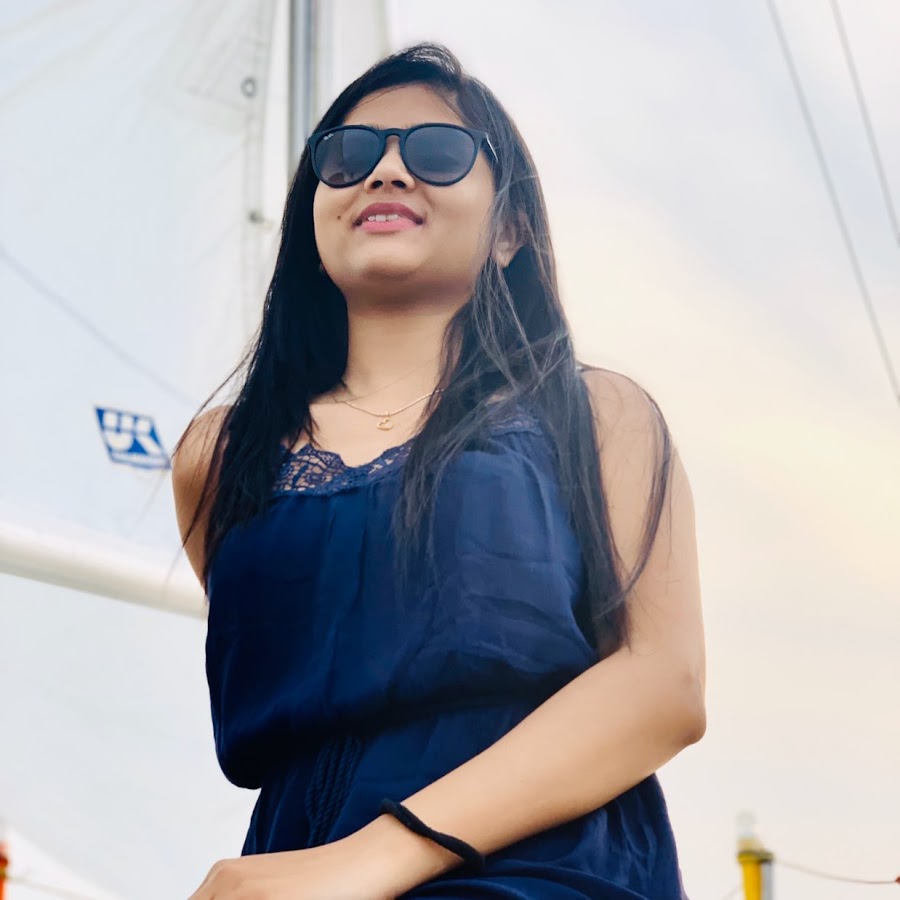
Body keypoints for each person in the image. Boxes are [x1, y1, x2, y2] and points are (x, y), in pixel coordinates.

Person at [173, 42, 706, 900]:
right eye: (347, 155)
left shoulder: (597, 412)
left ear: (511, 229)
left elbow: (664, 686)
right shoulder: (218, 455)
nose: (385, 171)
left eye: (437, 151)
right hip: (287, 873)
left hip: (543, 873)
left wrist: (369, 861)